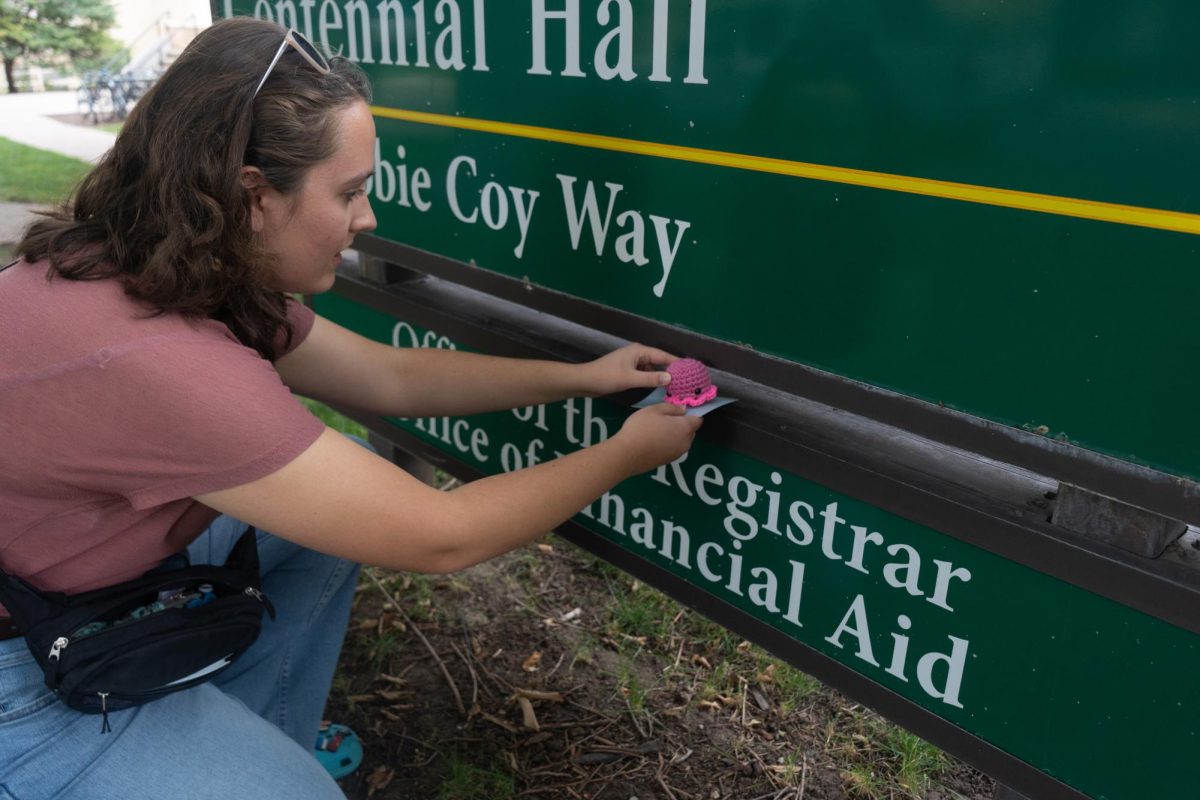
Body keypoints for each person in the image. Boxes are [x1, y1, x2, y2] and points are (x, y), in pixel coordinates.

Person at [0, 17, 701, 800]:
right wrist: (629, 452)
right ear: (254, 195)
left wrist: (585, 376)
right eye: (350, 193)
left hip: (73, 574)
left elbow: (390, 377)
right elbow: (442, 535)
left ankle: (255, 733)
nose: (367, 219)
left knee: (332, 514)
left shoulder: (152, 262)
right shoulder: (162, 367)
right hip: (27, 662)